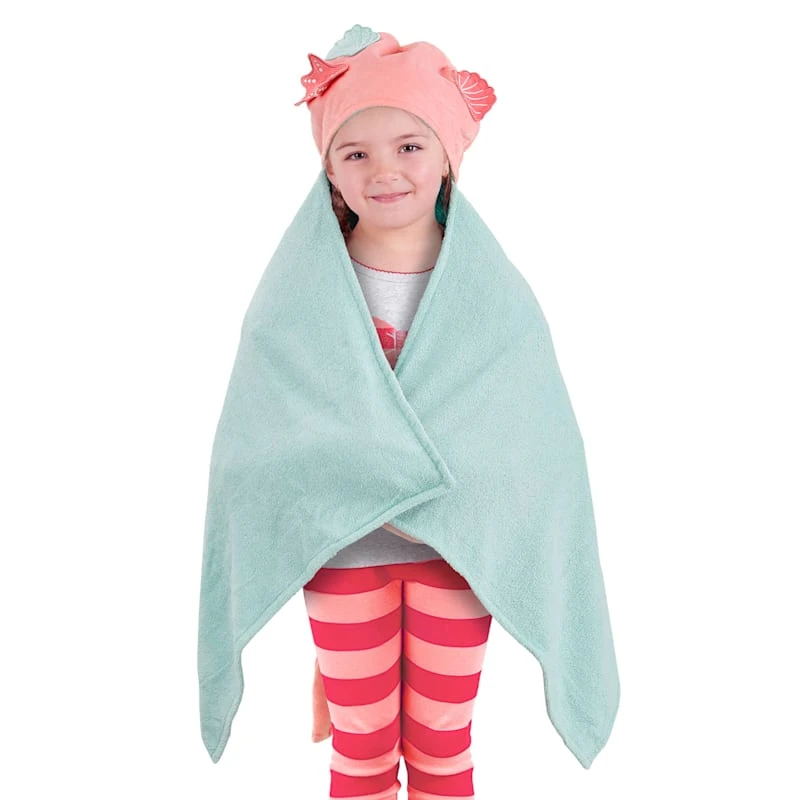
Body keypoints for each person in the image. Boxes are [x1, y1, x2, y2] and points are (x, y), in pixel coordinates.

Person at [296, 25, 497, 800]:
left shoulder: (486, 287)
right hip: (345, 549)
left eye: (409, 146)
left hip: (458, 551)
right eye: (356, 153)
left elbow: (519, 426)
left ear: (447, 155)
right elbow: (278, 421)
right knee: (362, 743)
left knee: (443, 742)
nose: (383, 170)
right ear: (331, 171)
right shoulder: (307, 289)